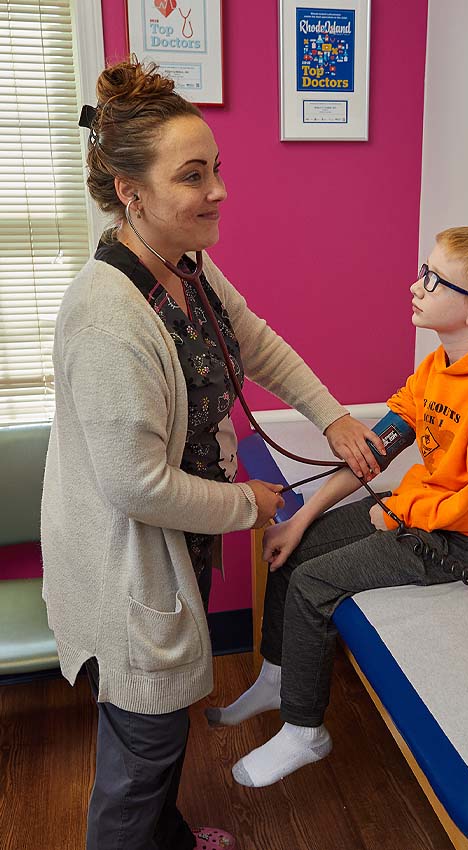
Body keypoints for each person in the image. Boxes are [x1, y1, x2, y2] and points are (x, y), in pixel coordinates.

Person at [40, 59, 385, 850]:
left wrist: (331, 418)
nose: (219, 190)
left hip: (168, 544)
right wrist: (249, 506)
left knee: (153, 738)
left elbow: (254, 341)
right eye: (193, 176)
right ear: (132, 192)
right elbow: (136, 486)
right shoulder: (107, 319)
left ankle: (161, 836)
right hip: (128, 556)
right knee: (142, 749)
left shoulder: (183, 264)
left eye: (217, 168)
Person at [207, 225, 468, 788]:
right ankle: (278, 675)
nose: (415, 286)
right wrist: (301, 520)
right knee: (291, 554)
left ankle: (305, 731)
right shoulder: (440, 367)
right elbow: (375, 453)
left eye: (433, 279)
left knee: (315, 583)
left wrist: (398, 512)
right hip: (425, 511)